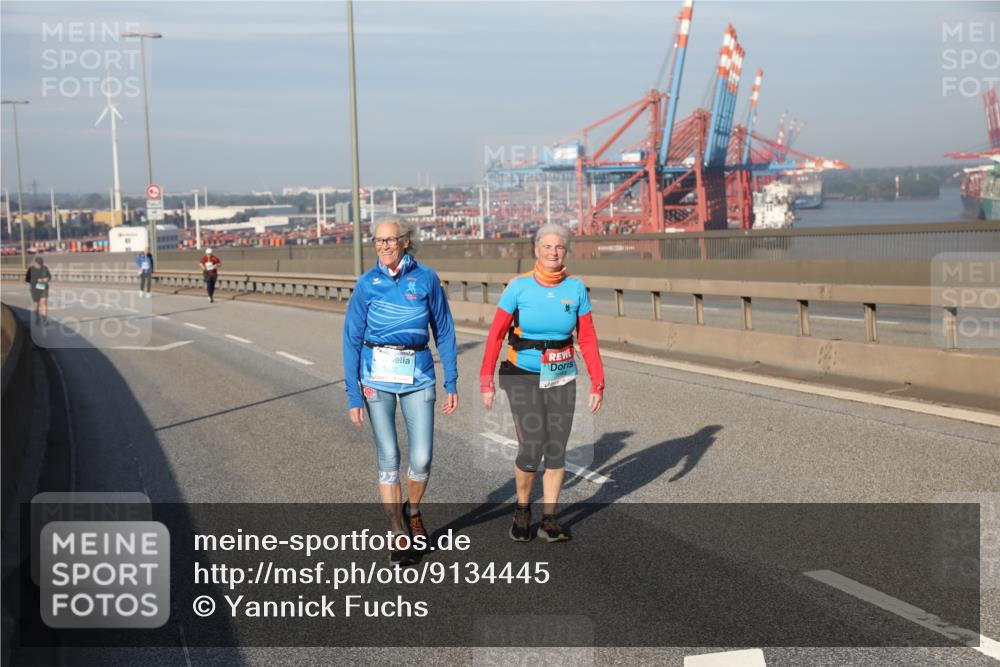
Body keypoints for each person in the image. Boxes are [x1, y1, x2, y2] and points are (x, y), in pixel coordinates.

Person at [343, 217, 459, 566]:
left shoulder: (425, 279)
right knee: (389, 456)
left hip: (419, 373)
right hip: (375, 376)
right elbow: (350, 339)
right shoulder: (367, 284)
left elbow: (445, 330)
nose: (384, 246)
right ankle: (397, 532)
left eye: (390, 240)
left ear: (406, 241)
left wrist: (451, 380)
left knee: (421, 457)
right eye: (378, 241)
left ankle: (413, 509)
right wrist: (353, 394)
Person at [479, 223, 605, 543]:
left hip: (561, 374)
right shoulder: (518, 288)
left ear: (566, 252)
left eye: (559, 247)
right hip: (521, 373)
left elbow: (587, 339)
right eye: (546, 247)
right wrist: (486, 380)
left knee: (556, 449)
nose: (553, 252)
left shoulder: (575, 289)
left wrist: (597, 382)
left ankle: (550, 517)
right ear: (536, 250)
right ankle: (523, 508)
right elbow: (495, 336)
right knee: (533, 445)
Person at [24, 255, 52, 326]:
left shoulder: (45, 268)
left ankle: (44, 320)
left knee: (44, 302)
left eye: (41, 264)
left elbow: (49, 276)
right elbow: (27, 280)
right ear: (35, 263)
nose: (40, 266)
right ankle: (36, 317)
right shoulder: (31, 269)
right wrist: (37, 280)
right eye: (39, 264)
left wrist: (47, 279)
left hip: (43, 288)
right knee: (36, 305)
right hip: (35, 289)